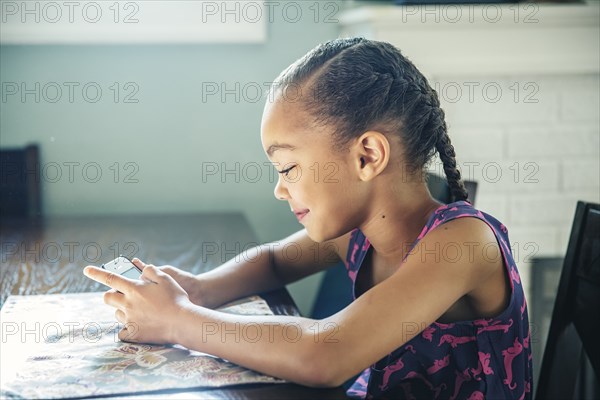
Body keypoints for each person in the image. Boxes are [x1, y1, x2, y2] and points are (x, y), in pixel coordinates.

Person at [84, 37, 532, 399]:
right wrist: (200, 289)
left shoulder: (464, 243)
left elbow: (325, 355)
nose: (279, 189)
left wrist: (178, 319)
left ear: (367, 156)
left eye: (288, 169)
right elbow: (274, 262)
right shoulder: (357, 232)